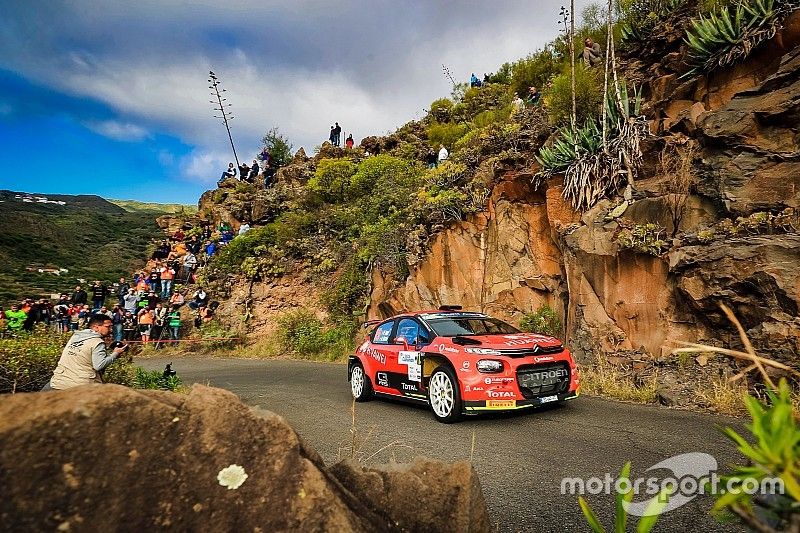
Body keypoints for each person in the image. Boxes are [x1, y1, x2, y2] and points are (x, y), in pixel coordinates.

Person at [45, 313, 128, 390]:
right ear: (96, 327)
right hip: (81, 385)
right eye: (108, 327)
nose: (110, 330)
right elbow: (99, 365)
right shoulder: (97, 342)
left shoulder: (76, 336)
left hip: (58, 381)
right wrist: (115, 353)